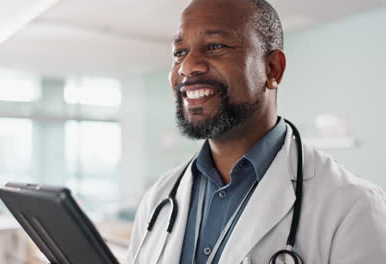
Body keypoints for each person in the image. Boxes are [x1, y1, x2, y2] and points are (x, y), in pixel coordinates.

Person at [125, 0, 386, 263]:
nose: (187, 66)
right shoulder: (158, 198)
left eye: (215, 46)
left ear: (273, 69)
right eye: (179, 52)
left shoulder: (353, 206)